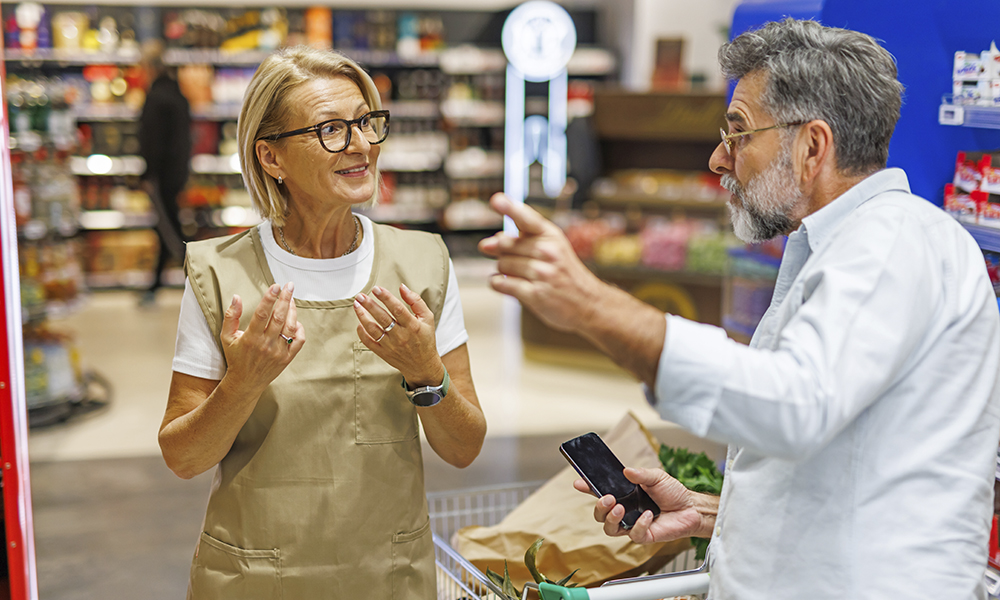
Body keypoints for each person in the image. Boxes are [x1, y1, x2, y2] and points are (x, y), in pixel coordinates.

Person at [480, 18, 1000, 600]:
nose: (718, 160)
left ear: (812, 146)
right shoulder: (841, 246)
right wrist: (711, 512)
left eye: (738, 134)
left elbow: (798, 403)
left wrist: (594, 305)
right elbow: (850, 460)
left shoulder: (894, 242)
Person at [158, 46, 487, 599]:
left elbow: (463, 448)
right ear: (271, 158)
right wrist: (246, 379)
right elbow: (183, 458)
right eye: (331, 129)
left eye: (366, 123)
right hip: (255, 578)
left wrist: (427, 372)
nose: (360, 144)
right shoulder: (219, 274)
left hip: (387, 574)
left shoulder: (423, 264)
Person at [137, 39, 192, 307]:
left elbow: (153, 142)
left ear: (150, 67)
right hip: (178, 172)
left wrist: (149, 175)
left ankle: (198, 282)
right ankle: (156, 284)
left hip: (162, 176)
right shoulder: (178, 95)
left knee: (171, 231)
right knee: (167, 227)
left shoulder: (156, 97)